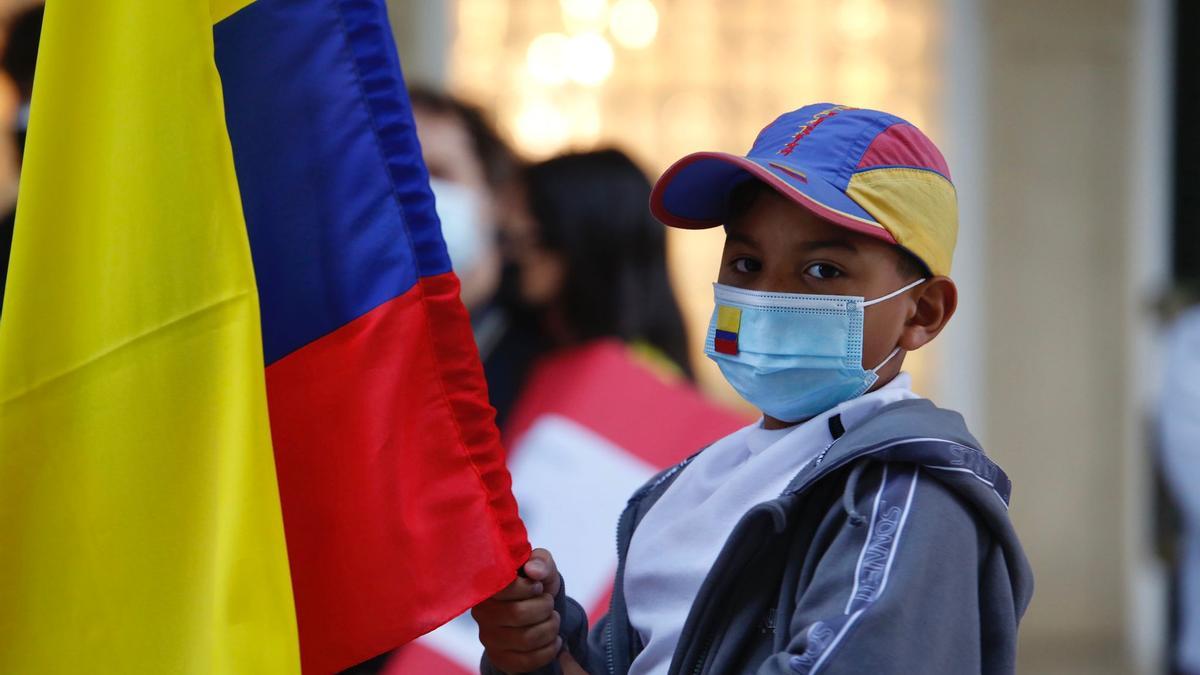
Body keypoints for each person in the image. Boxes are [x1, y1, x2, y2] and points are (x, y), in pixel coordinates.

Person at [472, 104, 1034, 675]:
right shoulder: (686, 487)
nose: (768, 294)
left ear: (924, 311)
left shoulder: (907, 500)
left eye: (822, 271)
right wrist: (541, 652)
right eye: (745, 262)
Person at [409, 86, 544, 429]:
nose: (415, 195)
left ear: (496, 199)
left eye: (439, 173)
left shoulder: (547, 358)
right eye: (401, 177)